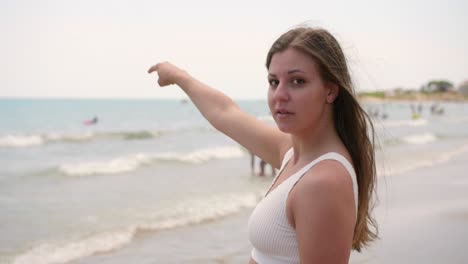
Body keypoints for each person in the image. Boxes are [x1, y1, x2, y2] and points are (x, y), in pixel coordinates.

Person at [148, 26, 378, 263]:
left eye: (297, 81)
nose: (280, 94)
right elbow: (225, 113)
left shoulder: (323, 182)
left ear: (330, 90)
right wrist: (179, 76)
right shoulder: (292, 153)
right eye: (273, 81)